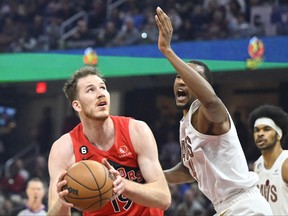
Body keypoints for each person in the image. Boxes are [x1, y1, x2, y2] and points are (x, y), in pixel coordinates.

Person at [154, 6, 273, 215]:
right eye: (178, 76)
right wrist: (152, 175)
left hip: (245, 206)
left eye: (189, 76)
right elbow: (189, 170)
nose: (181, 79)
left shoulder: (208, 111)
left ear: (203, 85)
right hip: (226, 207)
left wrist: (168, 51)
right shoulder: (186, 124)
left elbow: (210, 100)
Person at [47, 66, 171, 216]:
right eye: (90, 90)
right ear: (76, 105)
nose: (100, 94)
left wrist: (123, 185)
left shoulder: (136, 130)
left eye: (103, 88)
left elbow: (164, 198)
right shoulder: (64, 148)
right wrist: (62, 202)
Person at [248, 104, 288, 215]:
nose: (260, 133)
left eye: (266, 129)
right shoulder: (257, 165)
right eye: (256, 130)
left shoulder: (285, 163)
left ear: (278, 135)